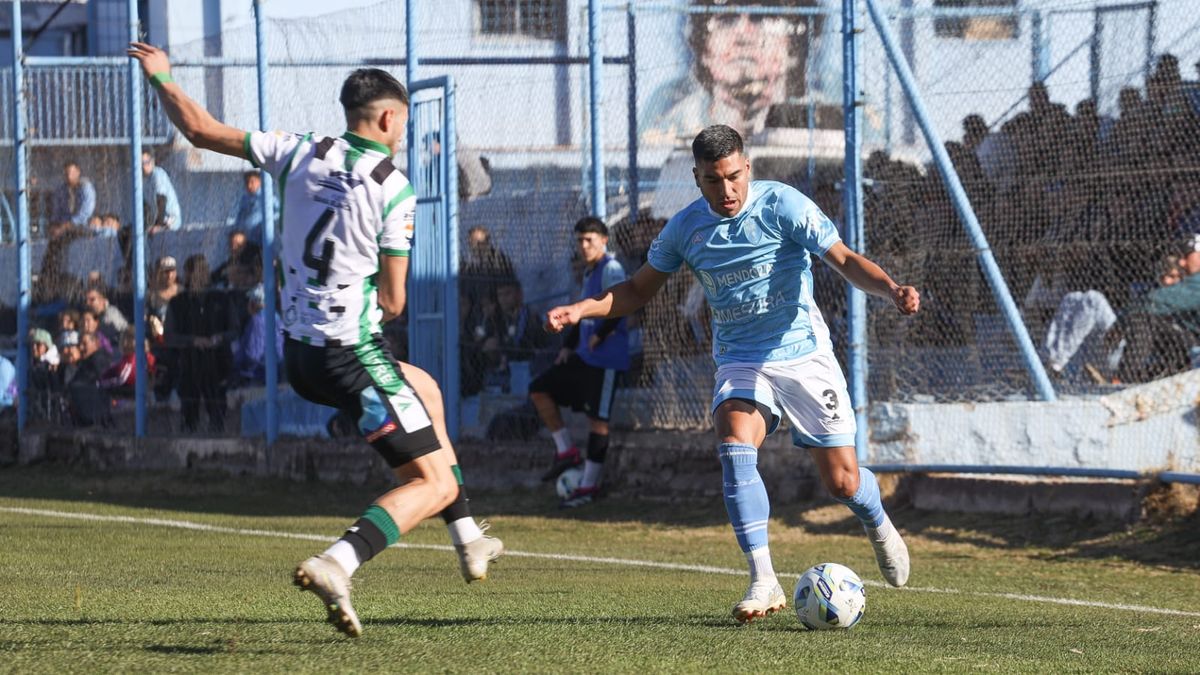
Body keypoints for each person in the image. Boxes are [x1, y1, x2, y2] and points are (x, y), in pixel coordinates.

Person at [130, 42, 503, 637]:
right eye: (402, 122)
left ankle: (467, 540)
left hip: (300, 353)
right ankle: (339, 562)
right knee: (428, 481)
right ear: (388, 118)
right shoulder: (393, 187)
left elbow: (199, 130)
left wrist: (161, 75)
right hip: (351, 355)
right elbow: (395, 300)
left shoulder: (300, 150)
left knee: (426, 389)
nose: (402, 133)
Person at [545, 125, 919, 622]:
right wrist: (583, 309)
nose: (727, 191)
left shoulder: (783, 206)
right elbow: (636, 291)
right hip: (741, 358)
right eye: (714, 181)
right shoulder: (685, 229)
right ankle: (763, 579)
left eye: (734, 177)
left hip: (804, 356)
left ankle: (876, 519)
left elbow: (845, 260)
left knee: (843, 483)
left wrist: (891, 289)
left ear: (749, 167)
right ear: (697, 179)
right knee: (734, 439)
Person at [530, 217, 631, 508]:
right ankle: (566, 451)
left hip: (607, 359)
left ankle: (587, 487)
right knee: (539, 388)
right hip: (585, 357)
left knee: (598, 422)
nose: (584, 246)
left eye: (589, 240)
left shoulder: (611, 268)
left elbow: (620, 304)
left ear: (604, 241)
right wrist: (568, 346)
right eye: (579, 240)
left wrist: (601, 335)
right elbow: (581, 312)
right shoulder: (590, 273)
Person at [639, 0, 824, 145]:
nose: (743, 34)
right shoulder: (669, 124)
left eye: (761, 18)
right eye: (727, 20)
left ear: (793, 45)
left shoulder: (821, 119)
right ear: (704, 49)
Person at [163, 255, 239, 433]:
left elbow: (235, 329)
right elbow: (170, 336)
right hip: (189, 364)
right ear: (188, 274)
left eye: (205, 269)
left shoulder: (222, 299)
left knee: (217, 411)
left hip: (218, 363)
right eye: (199, 270)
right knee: (189, 412)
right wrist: (193, 341)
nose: (205, 274)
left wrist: (219, 338)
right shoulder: (177, 303)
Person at [48, 161, 96, 239]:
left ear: (78, 172)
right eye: (66, 173)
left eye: (71, 173)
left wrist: (67, 225)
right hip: (64, 228)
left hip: (82, 227)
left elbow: (86, 212)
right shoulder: (62, 190)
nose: (69, 176)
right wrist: (54, 224)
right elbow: (56, 210)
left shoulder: (86, 188)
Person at [141, 151, 182, 234]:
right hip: (158, 220)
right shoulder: (145, 179)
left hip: (170, 220)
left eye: (147, 162)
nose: (145, 166)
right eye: (142, 163)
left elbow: (161, 200)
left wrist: (158, 225)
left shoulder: (158, 174)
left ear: (152, 161)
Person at [227, 170, 271, 244]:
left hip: (261, 240)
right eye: (247, 183)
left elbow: (278, 213)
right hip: (246, 239)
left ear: (259, 181)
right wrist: (237, 230)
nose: (249, 185)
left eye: (252, 182)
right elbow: (240, 215)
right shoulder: (245, 198)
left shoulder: (267, 197)